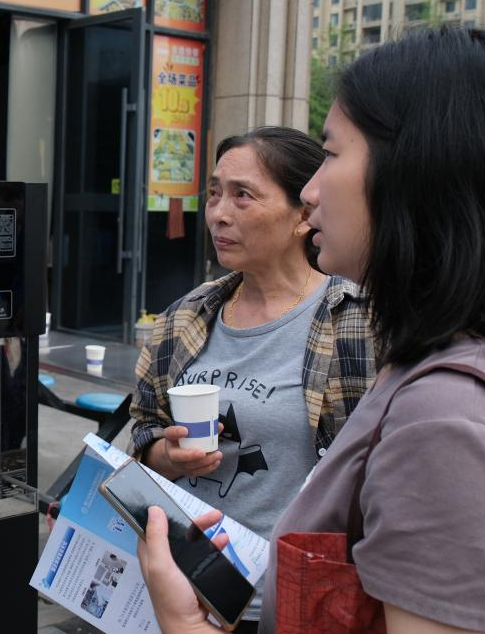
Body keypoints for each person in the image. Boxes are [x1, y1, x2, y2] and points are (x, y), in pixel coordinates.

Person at [139, 25, 485, 633]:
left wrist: (185, 627)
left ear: (416, 174)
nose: (312, 190)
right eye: (215, 193)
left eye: (330, 153)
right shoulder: (437, 360)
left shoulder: (445, 419)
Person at [130, 126, 376, 630]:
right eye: (214, 193)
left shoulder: (358, 321)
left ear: (304, 214)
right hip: (185, 593)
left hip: (297, 602)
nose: (219, 213)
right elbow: (143, 430)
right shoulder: (184, 317)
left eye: (243, 195)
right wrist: (168, 456)